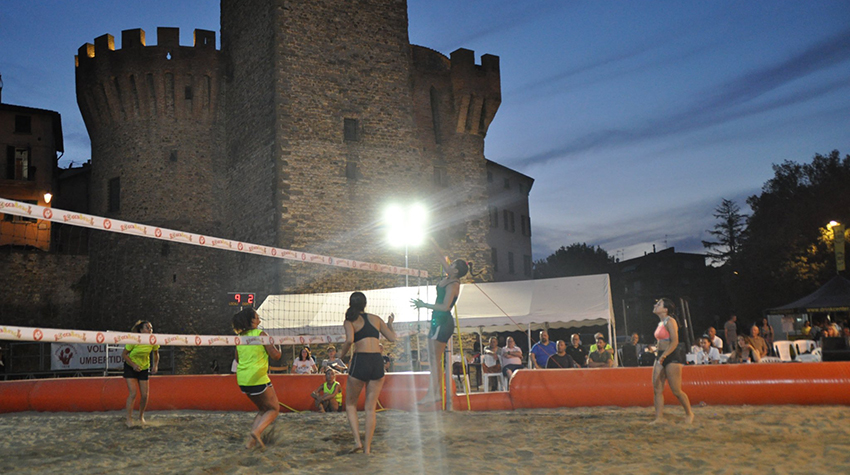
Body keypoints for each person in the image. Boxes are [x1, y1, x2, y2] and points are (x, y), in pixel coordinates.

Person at [339, 291, 396, 454]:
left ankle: (358, 442)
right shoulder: (376, 319)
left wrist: (339, 356)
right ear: (365, 303)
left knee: (350, 404)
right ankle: (368, 449)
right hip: (377, 361)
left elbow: (349, 340)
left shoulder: (350, 321)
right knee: (370, 408)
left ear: (351, 304)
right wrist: (390, 323)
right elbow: (392, 338)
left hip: (361, 360)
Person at [411, 259, 468, 405]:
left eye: (452, 265)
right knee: (433, 359)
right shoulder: (449, 278)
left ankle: (433, 394)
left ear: (455, 271)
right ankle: (434, 393)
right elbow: (443, 260)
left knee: (434, 360)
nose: (449, 266)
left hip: (443, 321)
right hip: (438, 321)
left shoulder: (453, 284)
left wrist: (424, 305)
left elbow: (445, 307)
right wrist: (433, 243)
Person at [232, 308, 282, 449]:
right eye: (256, 316)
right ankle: (257, 431)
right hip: (257, 377)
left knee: (263, 409)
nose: (259, 318)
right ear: (251, 320)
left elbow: (237, 358)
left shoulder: (240, 337)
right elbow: (275, 356)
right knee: (273, 409)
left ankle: (250, 443)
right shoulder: (261, 334)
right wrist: (278, 348)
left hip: (242, 379)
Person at [651, 298, 694, 424]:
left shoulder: (671, 321)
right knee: (657, 389)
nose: (655, 305)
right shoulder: (660, 323)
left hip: (672, 356)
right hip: (660, 355)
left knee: (676, 390)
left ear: (665, 309)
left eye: (658, 304)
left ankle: (689, 413)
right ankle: (658, 418)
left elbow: (674, 341)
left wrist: (664, 355)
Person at [121, 320, 160, 428]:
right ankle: (129, 418)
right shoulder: (134, 339)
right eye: (147, 328)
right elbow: (124, 354)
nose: (150, 330)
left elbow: (156, 354)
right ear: (141, 330)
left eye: (151, 328)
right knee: (133, 393)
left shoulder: (153, 340)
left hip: (143, 367)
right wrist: (133, 365)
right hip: (130, 366)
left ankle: (141, 416)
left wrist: (155, 365)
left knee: (144, 395)